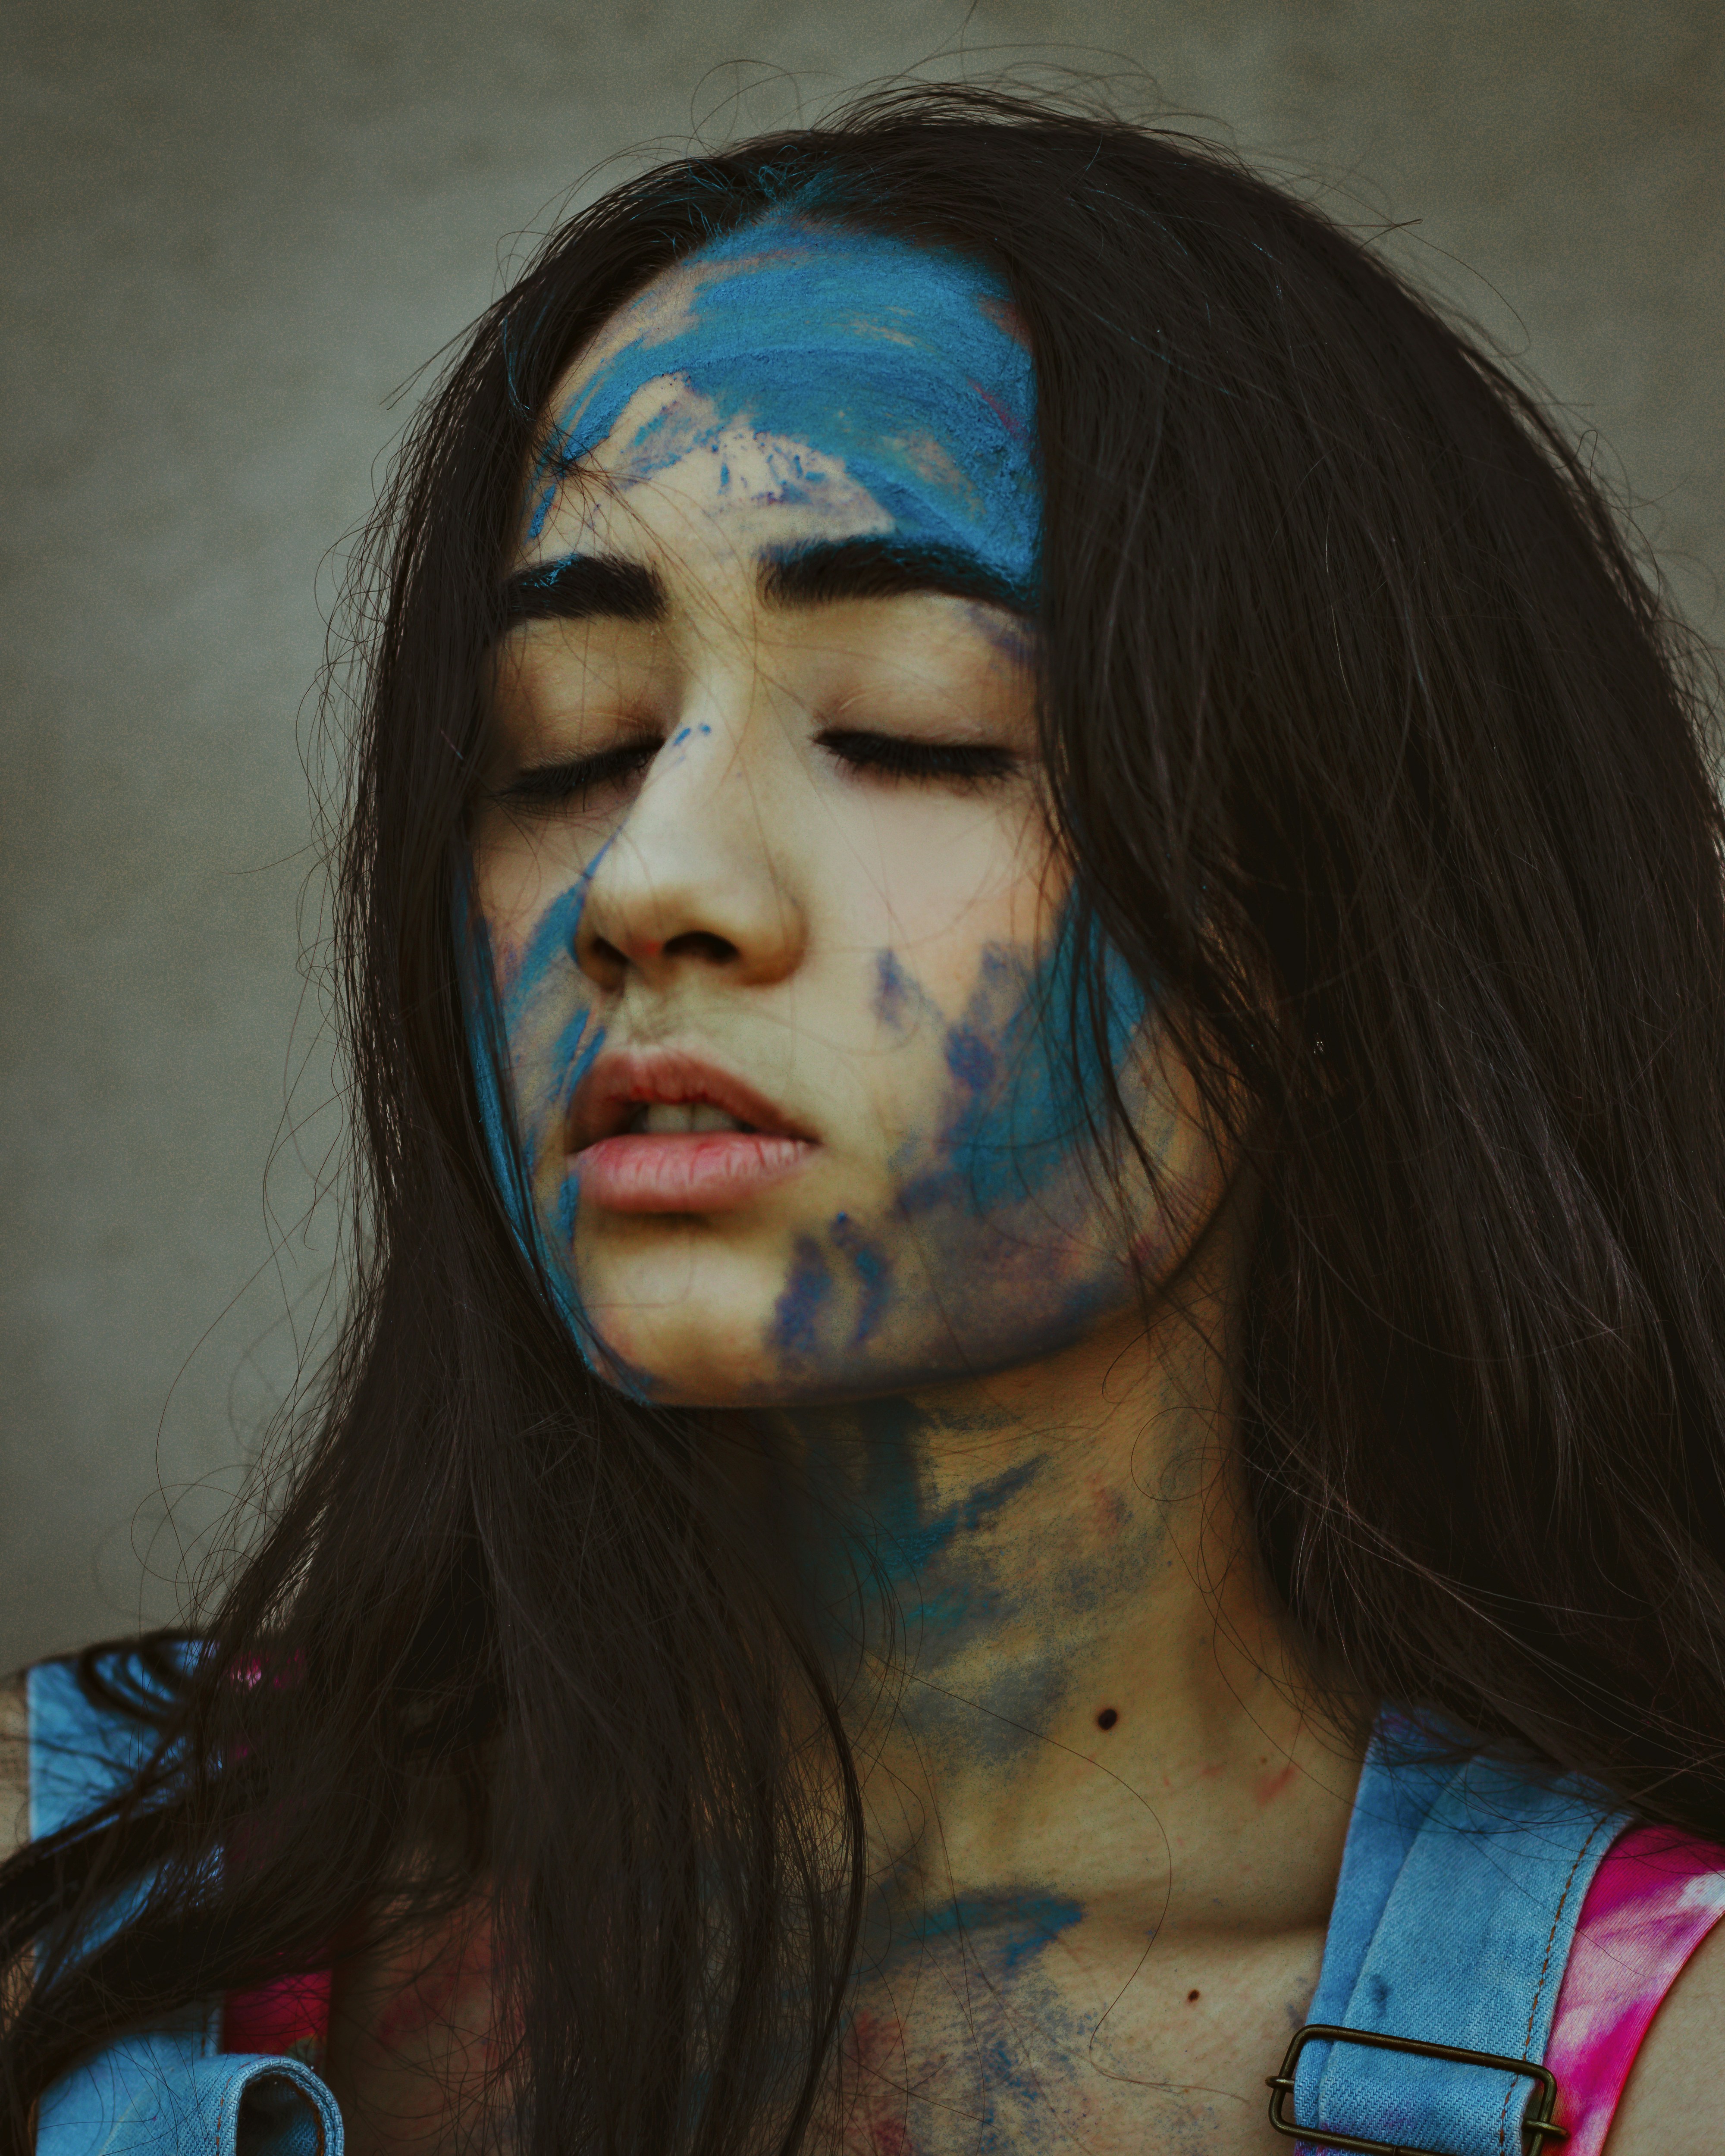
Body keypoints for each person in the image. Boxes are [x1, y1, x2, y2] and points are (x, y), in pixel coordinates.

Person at [3, 82, 1723, 2156]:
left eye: (915, 724)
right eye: (562, 744)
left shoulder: (1655, 2064)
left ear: (1346, 906)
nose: (649, 883)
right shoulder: (64, 1908)